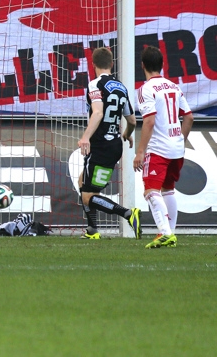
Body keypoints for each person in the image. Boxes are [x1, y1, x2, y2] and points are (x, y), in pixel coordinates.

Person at [133, 46, 194, 249]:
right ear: (162, 65)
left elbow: (149, 121)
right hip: (177, 147)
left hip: (159, 148)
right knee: (168, 190)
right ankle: (169, 232)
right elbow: (189, 117)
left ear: (142, 66)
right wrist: (180, 139)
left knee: (150, 190)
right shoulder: (174, 86)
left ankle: (166, 233)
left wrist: (140, 151)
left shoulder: (145, 90)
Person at [77, 46, 139, 240]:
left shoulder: (95, 84)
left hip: (100, 145)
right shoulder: (121, 87)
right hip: (115, 146)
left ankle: (127, 214)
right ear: (112, 64)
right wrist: (127, 135)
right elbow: (132, 121)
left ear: (93, 64)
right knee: (83, 183)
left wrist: (85, 136)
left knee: (88, 195)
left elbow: (98, 112)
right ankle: (92, 230)